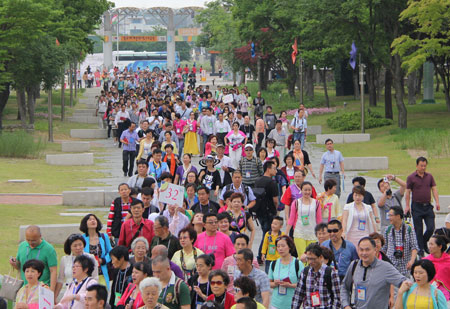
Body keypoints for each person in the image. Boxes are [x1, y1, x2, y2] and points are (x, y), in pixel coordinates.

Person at [341, 237, 406, 309]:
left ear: (375, 250)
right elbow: (344, 286)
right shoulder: (354, 265)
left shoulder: (385, 267)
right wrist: (346, 305)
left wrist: (399, 296)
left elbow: (404, 282)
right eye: (361, 250)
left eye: (367, 250)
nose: (364, 253)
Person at [405, 156, 440, 256]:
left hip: (427, 206)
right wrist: (407, 206)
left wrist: (437, 202)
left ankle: (424, 242)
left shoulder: (429, 177)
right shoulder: (411, 177)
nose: (423, 168)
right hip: (416, 206)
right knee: (418, 229)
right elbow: (407, 192)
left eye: (425, 166)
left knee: (430, 227)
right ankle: (420, 249)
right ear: (417, 166)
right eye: (421, 166)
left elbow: (434, 189)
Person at [291, 243, 341, 308]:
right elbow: (298, 295)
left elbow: (338, 297)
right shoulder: (305, 272)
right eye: (308, 259)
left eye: (313, 259)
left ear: (320, 257)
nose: (310, 262)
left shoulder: (331, 272)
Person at [9, 225, 57, 291]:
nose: (31, 243)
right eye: (28, 240)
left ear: (40, 236)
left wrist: (52, 292)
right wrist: (14, 263)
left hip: (42, 289)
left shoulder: (49, 249)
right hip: (25, 288)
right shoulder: (22, 246)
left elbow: (53, 271)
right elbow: (19, 267)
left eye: (34, 240)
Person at [55, 234, 99, 299]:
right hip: (68, 292)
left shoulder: (90, 258)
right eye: (75, 246)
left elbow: (95, 277)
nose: (78, 248)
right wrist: (55, 296)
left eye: (80, 245)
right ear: (70, 247)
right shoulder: (65, 259)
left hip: (85, 292)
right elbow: (60, 279)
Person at [286, 182, 322, 257]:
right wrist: (286, 233)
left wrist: (321, 234)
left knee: (311, 256)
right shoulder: (296, 203)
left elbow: (319, 220)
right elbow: (291, 219)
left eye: (309, 190)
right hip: (299, 232)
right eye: (305, 190)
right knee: (302, 256)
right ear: (301, 190)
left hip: (312, 233)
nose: (307, 192)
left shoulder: (316, 203)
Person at [268, 235, 304, 308]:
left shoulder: (297, 264)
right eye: (278, 246)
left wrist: (290, 285)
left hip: (293, 304)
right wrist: (275, 284)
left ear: (289, 247)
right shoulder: (273, 263)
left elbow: (303, 285)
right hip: (276, 304)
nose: (280, 248)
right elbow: (268, 283)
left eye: (283, 246)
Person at [254, 161, 279, 262]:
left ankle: (265, 254)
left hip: (259, 211)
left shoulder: (257, 180)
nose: (276, 171)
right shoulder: (271, 182)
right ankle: (261, 256)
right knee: (267, 234)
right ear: (268, 169)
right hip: (269, 212)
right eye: (274, 168)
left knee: (265, 232)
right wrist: (276, 209)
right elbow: (275, 200)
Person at [383, 206, 418, 276]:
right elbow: (384, 248)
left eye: (391, 215)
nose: (389, 218)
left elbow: (414, 247)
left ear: (398, 216)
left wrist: (411, 261)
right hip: (391, 266)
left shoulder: (409, 229)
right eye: (388, 215)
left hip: (405, 267)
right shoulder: (387, 230)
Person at [423, 234, 450, 300]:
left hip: (445, 292)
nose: (429, 247)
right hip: (428, 290)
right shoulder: (425, 261)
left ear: (440, 246)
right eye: (429, 244)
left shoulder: (448, 260)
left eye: (432, 244)